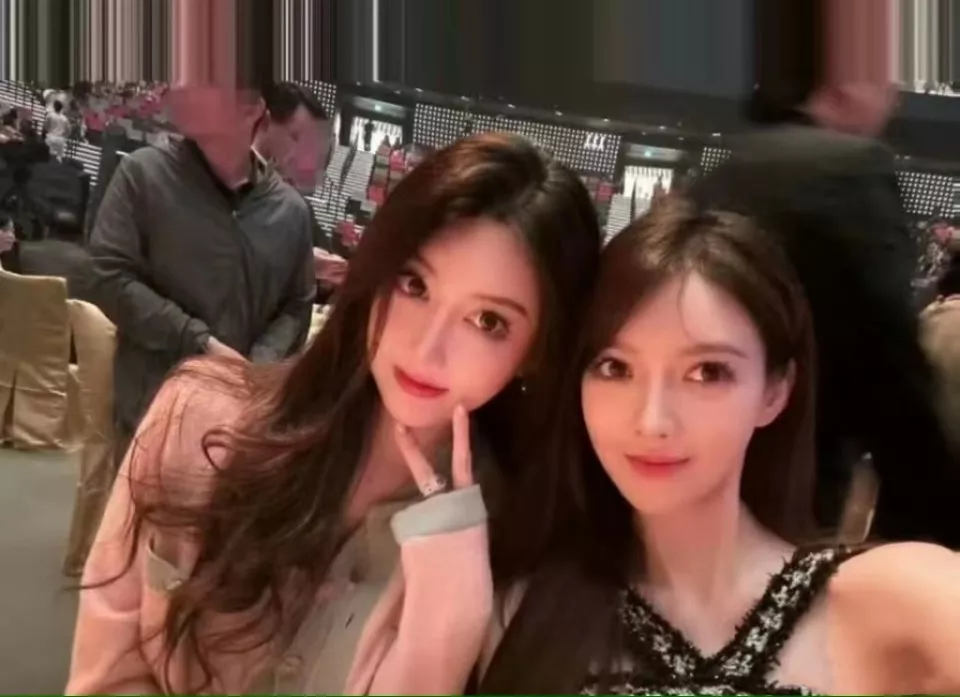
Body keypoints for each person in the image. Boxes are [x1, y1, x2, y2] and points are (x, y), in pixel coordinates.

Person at [67, 133, 602, 695]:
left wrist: (448, 627)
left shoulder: (516, 546)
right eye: (414, 283)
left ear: (536, 352)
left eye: (488, 321)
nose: (427, 348)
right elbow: (106, 677)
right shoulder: (197, 417)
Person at [402, 197, 959, 695]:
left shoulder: (881, 600)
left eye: (707, 372)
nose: (652, 422)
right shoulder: (521, 610)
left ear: (775, 391)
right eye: (616, 368)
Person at [689, 0, 960, 547]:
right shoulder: (849, 171)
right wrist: (936, 533)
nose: (895, 94)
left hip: (702, 469)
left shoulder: (728, 171)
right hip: (790, 492)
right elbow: (892, 375)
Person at [86, 83, 316, 462]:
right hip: (149, 414)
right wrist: (199, 342)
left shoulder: (290, 212)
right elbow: (107, 275)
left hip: (237, 426)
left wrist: (254, 368)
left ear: (252, 110)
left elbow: (297, 304)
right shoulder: (144, 174)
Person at [252, 81, 346, 300]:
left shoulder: (293, 203)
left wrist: (325, 277)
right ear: (264, 121)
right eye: (294, 137)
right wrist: (302, 264)